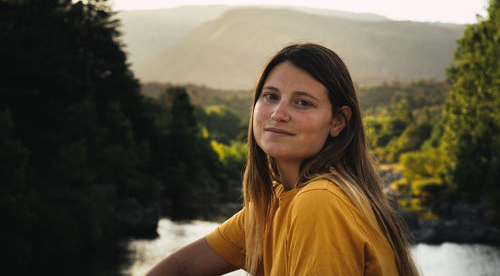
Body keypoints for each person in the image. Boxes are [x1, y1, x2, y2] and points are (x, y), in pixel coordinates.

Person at [145, 43, 420, 276]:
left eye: (302, 102)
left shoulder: (320, 201)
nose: (278, 113)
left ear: (337, 122)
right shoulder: (273, 204)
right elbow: (182, 266)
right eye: (271, 96)